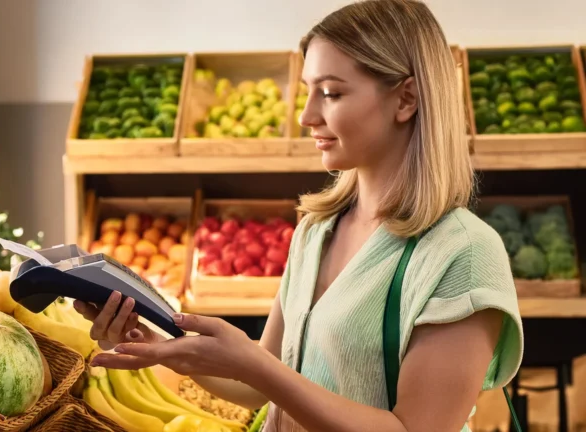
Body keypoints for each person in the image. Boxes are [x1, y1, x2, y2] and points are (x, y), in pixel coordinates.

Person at [74, 0, 524, 430]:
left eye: (331, 93)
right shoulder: (317, 231)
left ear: (406, 99)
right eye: (308, 91)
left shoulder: (462, 254)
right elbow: (256, 386)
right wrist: (158, 345)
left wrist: (255, 366)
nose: (307, 116)